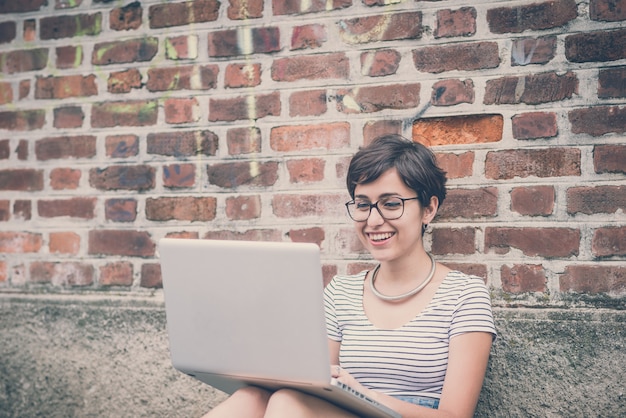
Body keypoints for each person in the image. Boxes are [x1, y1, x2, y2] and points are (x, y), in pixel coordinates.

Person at [204, 134, 496, 418]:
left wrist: (365, 395)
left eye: (391, 204)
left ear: (428, 209)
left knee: (288, 405)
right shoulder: (340, 292)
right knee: (251, 398)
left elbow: (456, 415)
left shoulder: (464, 295)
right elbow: (317, 388)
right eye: (362, 204)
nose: (373, 220)